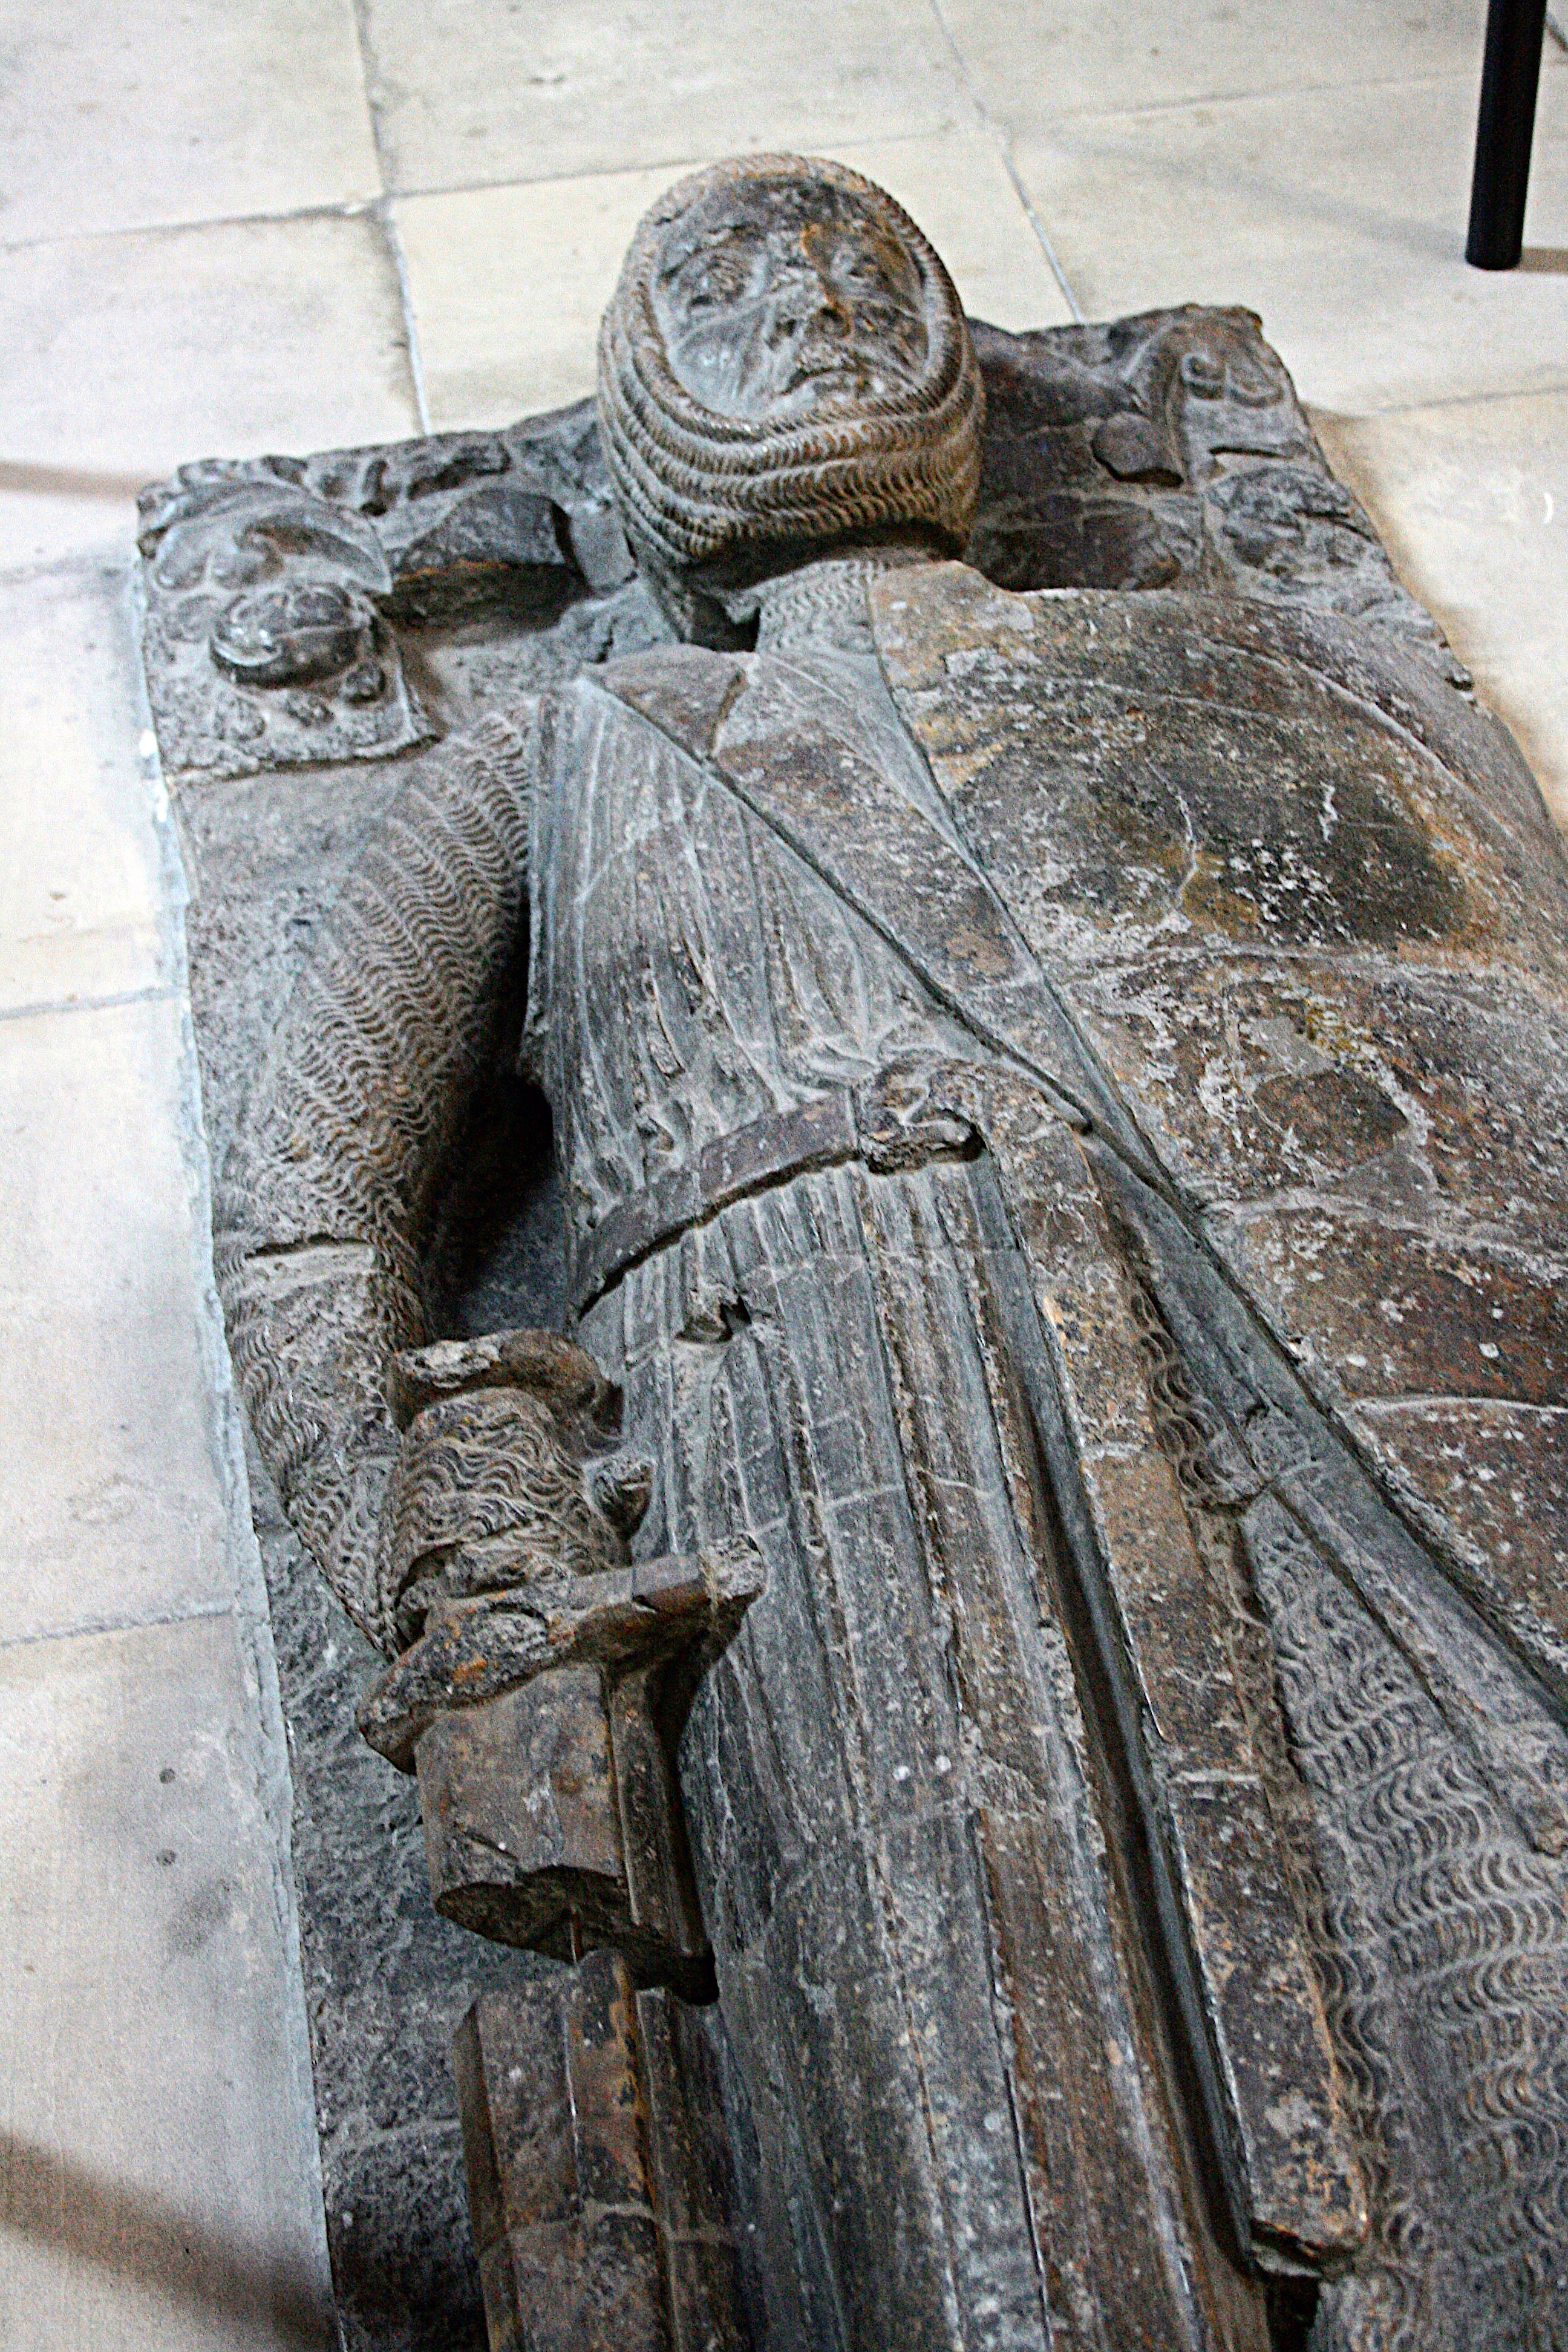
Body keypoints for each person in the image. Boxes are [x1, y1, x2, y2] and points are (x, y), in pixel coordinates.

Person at [218, 153, 1568, 2351]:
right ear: (643, 399)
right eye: (730, 288)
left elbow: (1498, 1022)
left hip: (1305, 1395)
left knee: (1501, 2036)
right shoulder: (572, 742)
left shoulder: (1238, 664)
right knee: (1007, 2182)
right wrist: (442, 1567)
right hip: (846, 1443)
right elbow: (308, 1204)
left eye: (869, 268)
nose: (821, 310)